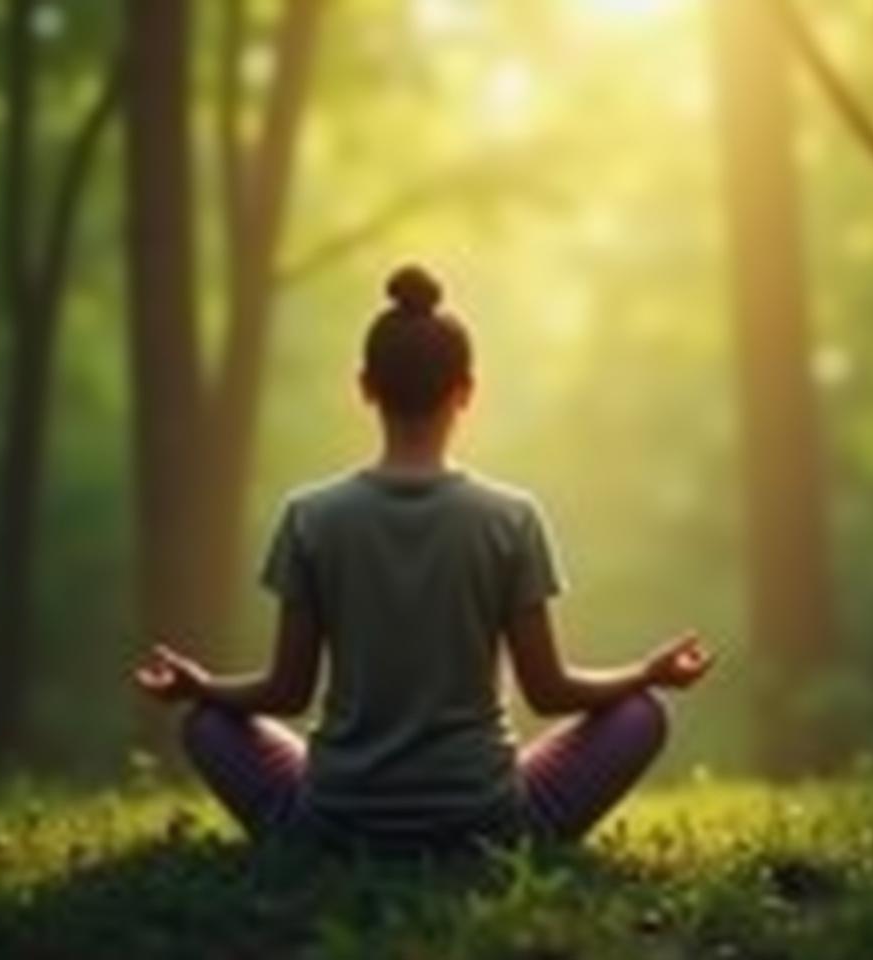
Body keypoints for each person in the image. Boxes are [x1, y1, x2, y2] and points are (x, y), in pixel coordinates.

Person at [132, 264, 714, 858]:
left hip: (337, 819)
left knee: (204, 722)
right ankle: (502, 837)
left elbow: (287, 691)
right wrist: (648, 673)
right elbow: (549, 690)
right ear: (466, 391)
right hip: (484, 822)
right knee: (642, 715)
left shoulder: (310, 516)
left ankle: (312, 831)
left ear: (365, 387)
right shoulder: (510, 518)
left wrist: (200, 686)